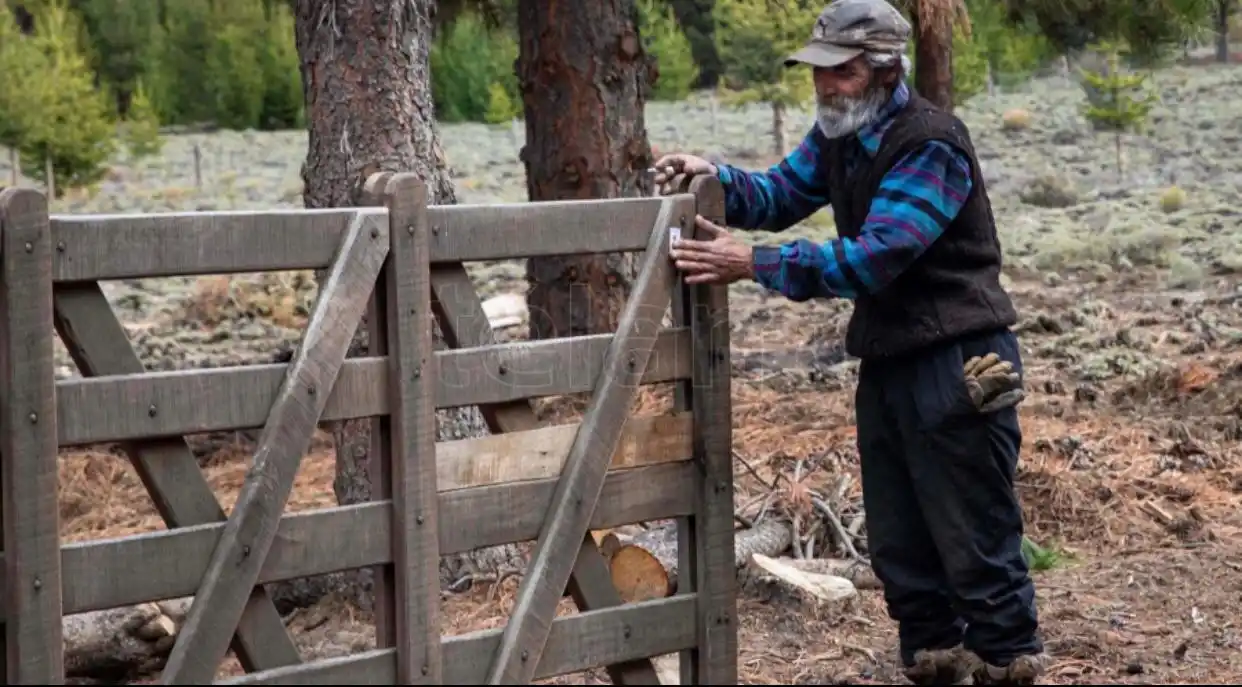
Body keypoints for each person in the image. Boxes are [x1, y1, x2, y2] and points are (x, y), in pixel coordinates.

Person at [657, 0, 1049, 684]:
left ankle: (1006, 661)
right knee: (900, 536)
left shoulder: (930, 143)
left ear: (884, 69)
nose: (824, 85)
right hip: (891, 357)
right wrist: (714, 176)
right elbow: (779, 194)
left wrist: (753, 263)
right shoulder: (841, 131)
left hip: (959, 360)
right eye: (819, 71)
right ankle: (935, 659)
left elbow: (878, 255)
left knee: (973, 530)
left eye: (840, 72)